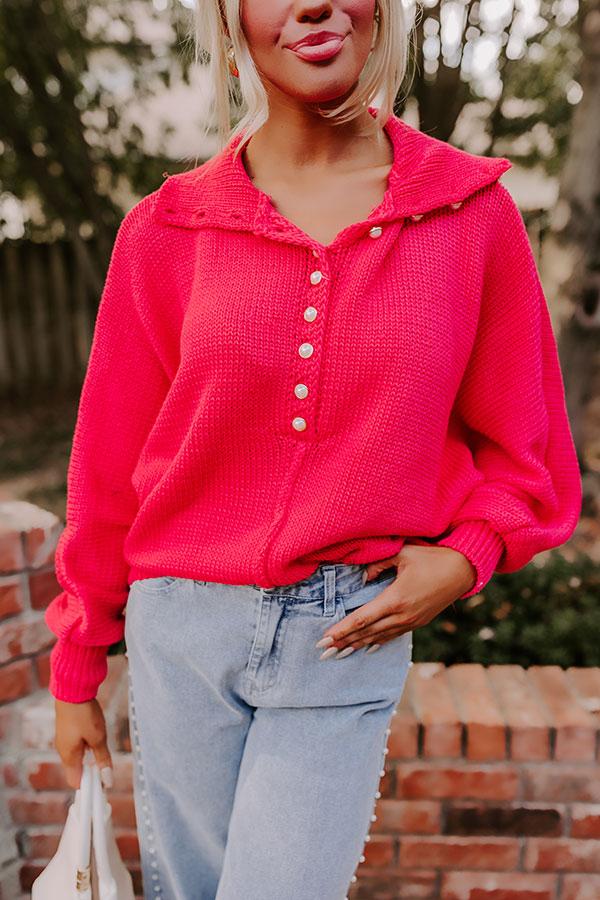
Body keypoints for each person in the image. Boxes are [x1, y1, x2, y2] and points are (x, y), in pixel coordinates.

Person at [46, 1, 582, 898]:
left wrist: (467, 556)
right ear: (231, 19)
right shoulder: (168, 230)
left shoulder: (470, 216)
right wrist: (78, 660)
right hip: (181, 626)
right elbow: (106, 467)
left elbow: (527, 449)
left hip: (347, 628)